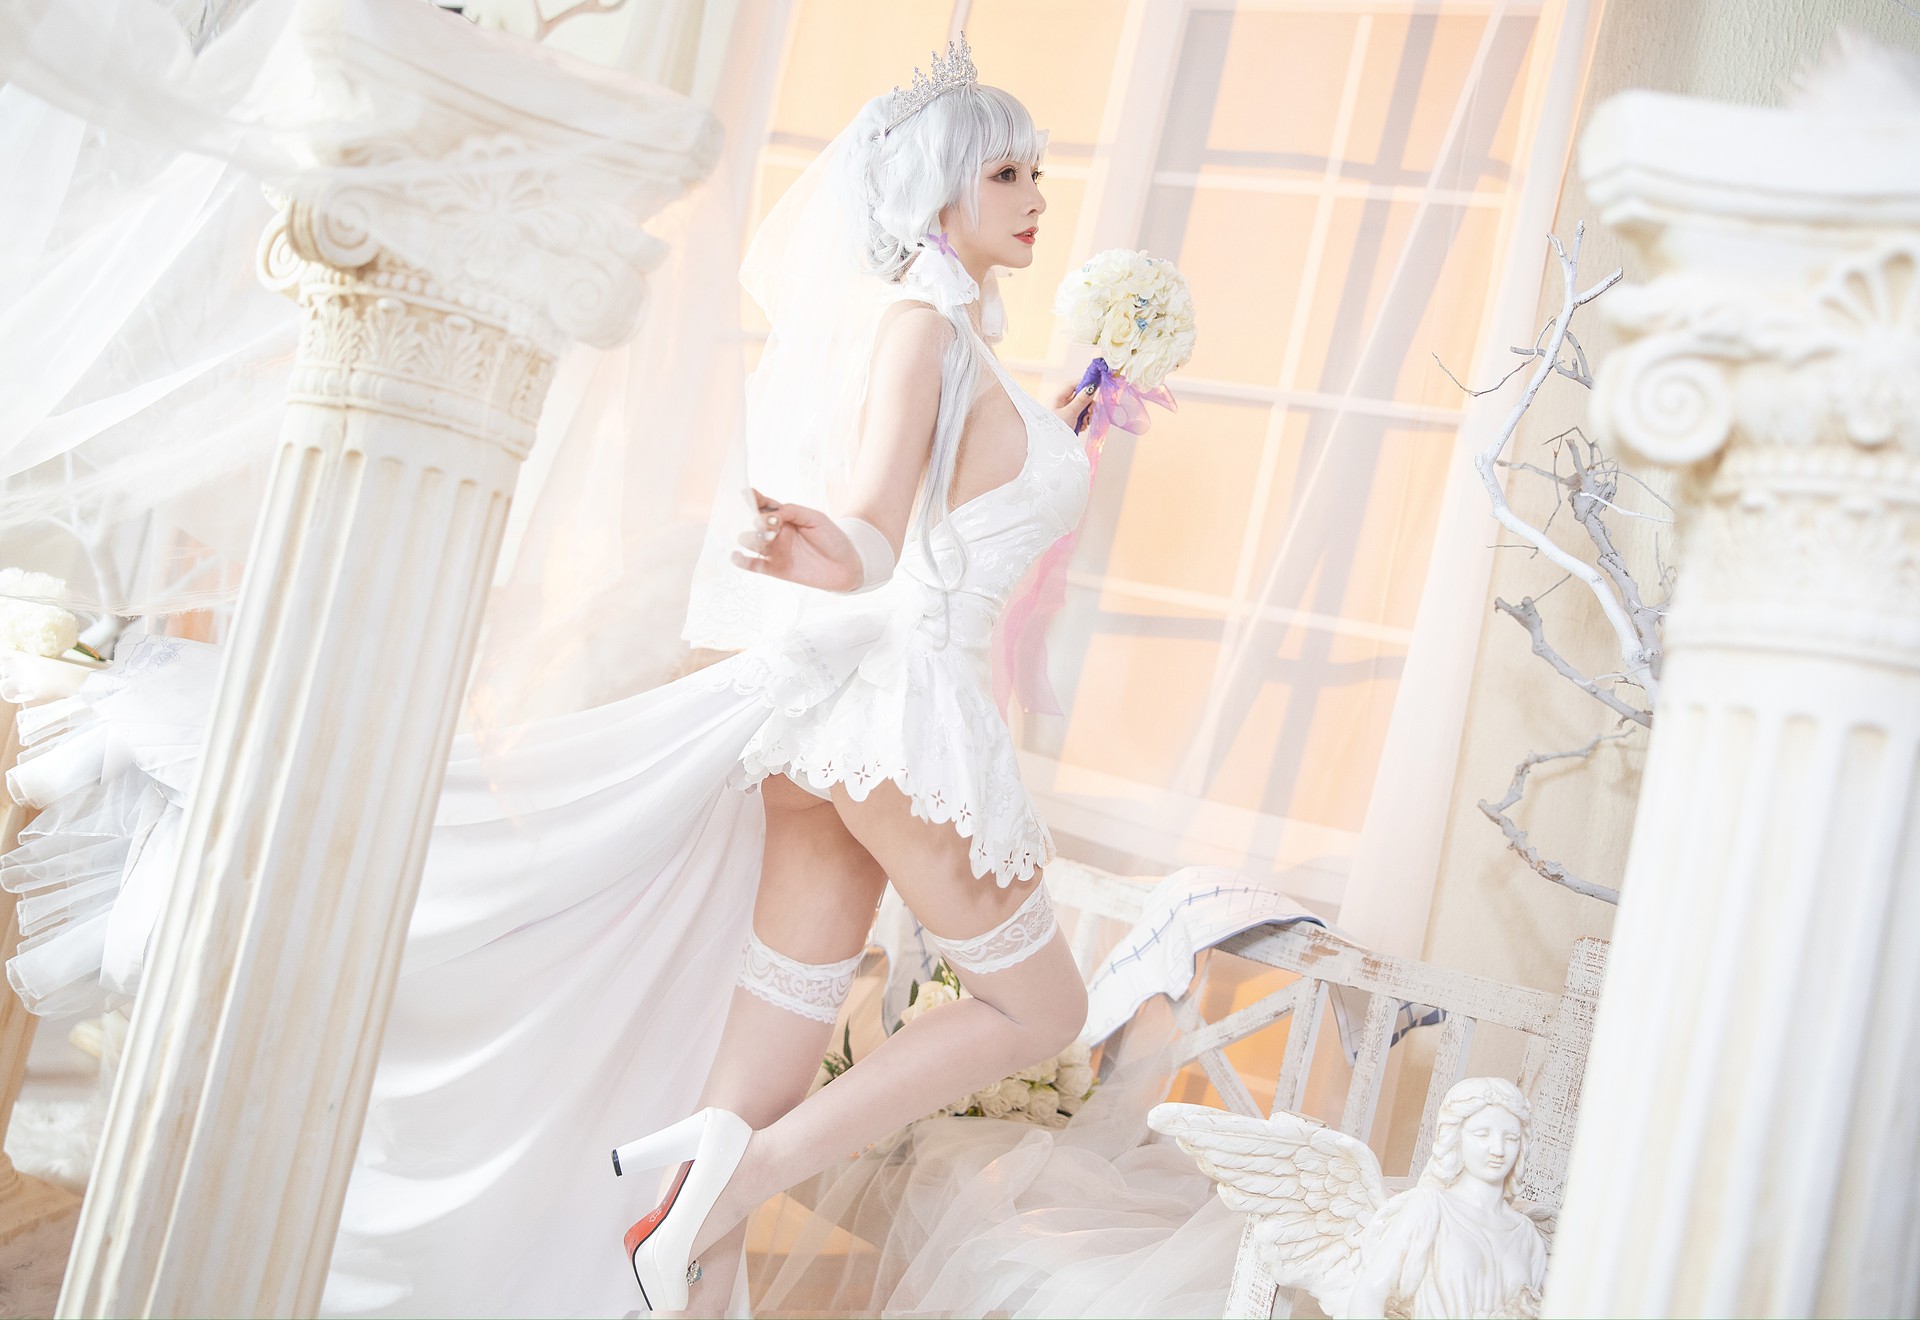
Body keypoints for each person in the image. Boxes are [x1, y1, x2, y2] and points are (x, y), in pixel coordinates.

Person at [2, 37, 1109, 1319]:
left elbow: (923, 512)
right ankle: (737, 1184)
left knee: (757, 1060)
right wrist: (828, 548)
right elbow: (875, 521)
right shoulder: (919, 326)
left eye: (1037, 171)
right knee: (1042, 1010)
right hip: (896, 726)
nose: (1037, 196)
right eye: (1006, 172)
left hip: (843, 732)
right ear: (933, 192)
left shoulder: (943, 333)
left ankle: (688, 1238)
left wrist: (1019, 450)